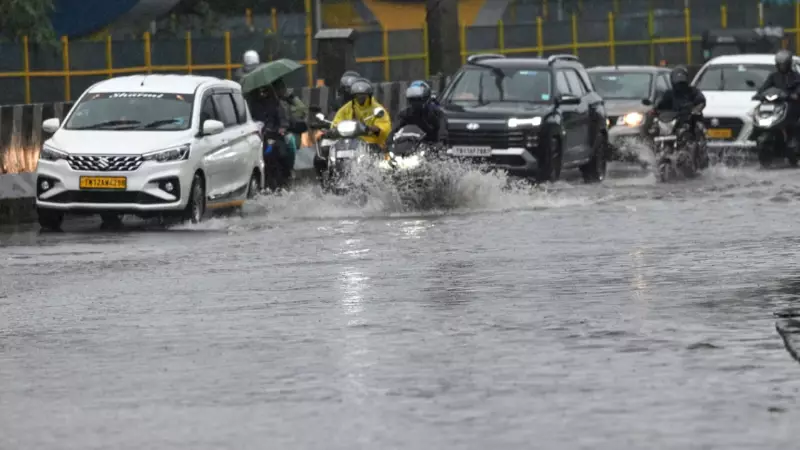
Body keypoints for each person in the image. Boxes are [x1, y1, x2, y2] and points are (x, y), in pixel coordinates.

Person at [652, 65, 708, 167]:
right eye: (677, 80)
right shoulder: (669, 94)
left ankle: (699, 156)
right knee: (655, 130)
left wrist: (696, 109)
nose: (680, 83)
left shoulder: (693, 91)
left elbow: (701, 100)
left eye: (682, 79)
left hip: (690, 121)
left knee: (699, 129)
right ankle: (656, 157)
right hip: (673, 122)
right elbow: (661, 104)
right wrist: (655, 109)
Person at [247, 85, 291, 191]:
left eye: (265, 92)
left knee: (281, 154)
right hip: (258, 138)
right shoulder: (252, 106)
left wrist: (281, 128)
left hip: (273, 136)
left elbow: (283, 121)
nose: (262, 94)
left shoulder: (276, 105)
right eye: (260, 92)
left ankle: (283, 181)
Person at [330, 78, 392, 149]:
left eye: (363, 95)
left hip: (372, 143)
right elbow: (336, 122)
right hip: (349, 143)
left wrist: (370, 128)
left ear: (369, 95)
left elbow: (385, 128)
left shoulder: (377, 108)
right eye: (358, 95)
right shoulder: (346, 108)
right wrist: (334, 129)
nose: (360, 97)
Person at [755, 49, 800, 147]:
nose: (781, 67)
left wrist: (795, 94)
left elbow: (798, 88)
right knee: (758, 115)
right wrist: (759, 95)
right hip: (777, 104)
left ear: (788, 64)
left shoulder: (796, 77)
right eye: (779, 64)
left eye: (783, 64)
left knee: (796, 123)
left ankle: (795, 140)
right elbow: (764, 87)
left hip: (792, 104)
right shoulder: (773, 76)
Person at [389, 80, 447, 146]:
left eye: (418, 99)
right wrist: (389, 140)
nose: (415, 103)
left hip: (431, 147)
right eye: (412, 99)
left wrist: (441, 142)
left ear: (426, 97)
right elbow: (394, 128)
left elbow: (443, 131)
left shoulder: (437, 113)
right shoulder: (404, 114)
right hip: (411, 146)